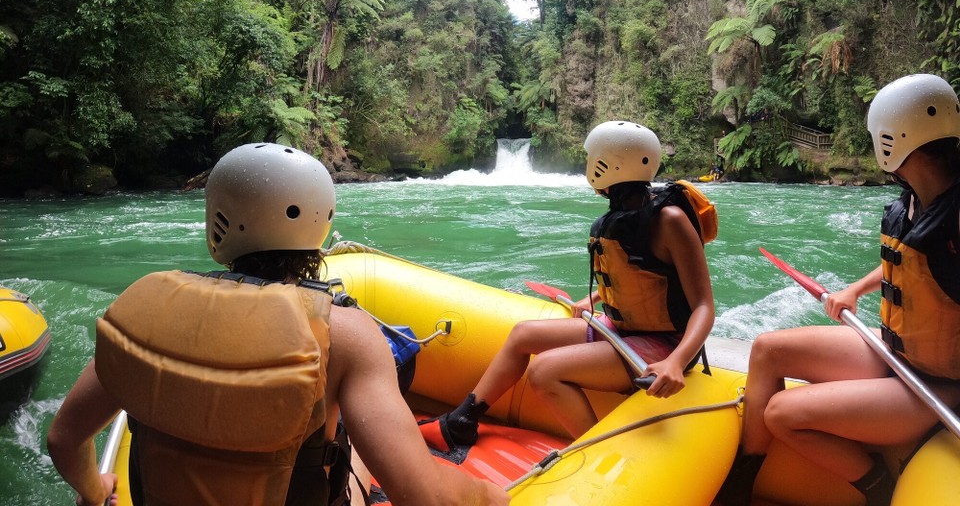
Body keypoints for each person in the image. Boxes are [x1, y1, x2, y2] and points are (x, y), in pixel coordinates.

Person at [47, 143, 508, 506]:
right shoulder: (344, 334)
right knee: (343, 424)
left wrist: (94, 489)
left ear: (217, 223)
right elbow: (424, 496)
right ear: (321, 228)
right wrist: (483, 494)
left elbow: (64, 440)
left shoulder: (144, 308)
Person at [717, 73, 960, 506]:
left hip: (937, 386)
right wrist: (855, 289)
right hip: (896, 354)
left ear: (893, 138)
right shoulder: (916, 201)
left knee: (783, 415)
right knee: (767, 348)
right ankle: (745, 474)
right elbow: (910, 261)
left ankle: (876, 488)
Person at [425, 121, 715, 447]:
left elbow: (704, 305)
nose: (588, 165)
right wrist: (600, 295)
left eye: (594, 158)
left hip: (669, 345)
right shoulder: (625, 214)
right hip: (627, 329)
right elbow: (644, 277)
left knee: (544, 371)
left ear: (612, 163)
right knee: (524, 334)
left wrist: (676, 361)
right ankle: (462, 421)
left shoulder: (670, 220)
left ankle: (599, 452)